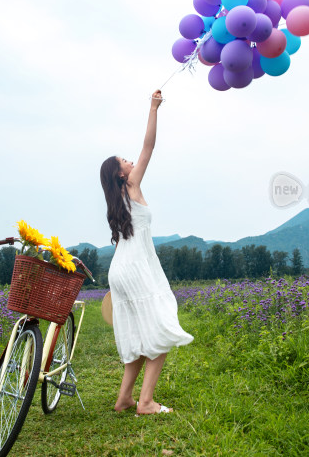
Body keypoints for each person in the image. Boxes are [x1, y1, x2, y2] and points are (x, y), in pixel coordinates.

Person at [99, 89, 194, 415]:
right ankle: (146, 402)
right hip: (136, 268)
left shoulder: (117, 200)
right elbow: (149, 147)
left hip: (121, 271)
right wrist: (153, 108)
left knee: (142, 334)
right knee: (161, 328)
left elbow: (142, 152)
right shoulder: (131, 185)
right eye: (125, 161)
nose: (131, 161)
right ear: (121, 175)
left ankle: (124, 398)